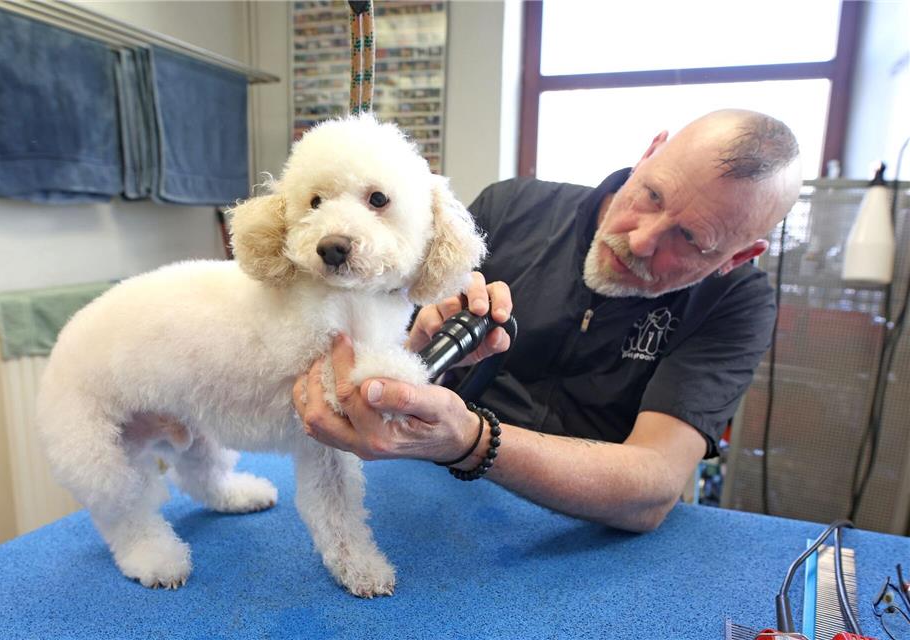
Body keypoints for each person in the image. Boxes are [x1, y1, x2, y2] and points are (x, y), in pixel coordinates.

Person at [293, 108, 803, 533]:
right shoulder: (511, 207)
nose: (642, 239)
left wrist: (474, 441)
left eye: (690, 239)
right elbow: (385, 353)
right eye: (651, 195)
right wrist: (416, 341)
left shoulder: (736, 302)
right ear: (650, 153)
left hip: (578, 532)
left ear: (738, 256)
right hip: (420, 496)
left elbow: (652, 486)